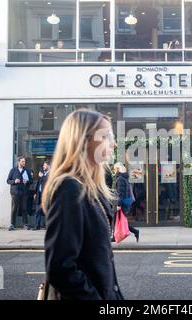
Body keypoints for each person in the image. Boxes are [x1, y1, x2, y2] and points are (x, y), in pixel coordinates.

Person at [43, 109, 123, 300]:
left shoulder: (90, 188)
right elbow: (60, 268)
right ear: (84, 140)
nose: (114, 143)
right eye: (106, 136)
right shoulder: (69, 189)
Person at [114, 162, 139, 242]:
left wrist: (119, 205)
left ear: (118, 169)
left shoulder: (120, 179)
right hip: (126, 202)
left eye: (115, 169)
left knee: (119, 219)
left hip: (123, 202)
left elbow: (121, 193)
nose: (114, 171)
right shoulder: (123, 177)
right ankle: (135, 231)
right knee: (121, 220)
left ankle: (117, 236)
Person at [6, 156, 33, 231]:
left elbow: (31, 181)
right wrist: (14, 181)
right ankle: (12, 224)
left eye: (24, 161)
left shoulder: (27, 170)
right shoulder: (13, 170)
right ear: (19, 162)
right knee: (14, 208)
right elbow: (8, 181)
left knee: (24, 208)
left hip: (24, 192)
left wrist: (27, 182)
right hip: (15, 192)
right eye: (22, 161)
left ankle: (25, 224)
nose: (24, 163)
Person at [33, 161, 50, 230]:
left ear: (48, 166)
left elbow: (47, 181)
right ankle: (37, 226)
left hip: (46, 195)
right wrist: (35, 193)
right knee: (37, 211)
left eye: (44, 165)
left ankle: (47, 226)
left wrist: (42, 176)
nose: (43, 167)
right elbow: (39, 183)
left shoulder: (51, 174)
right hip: (39, 194)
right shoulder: (42, 173)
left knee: (46, 210)